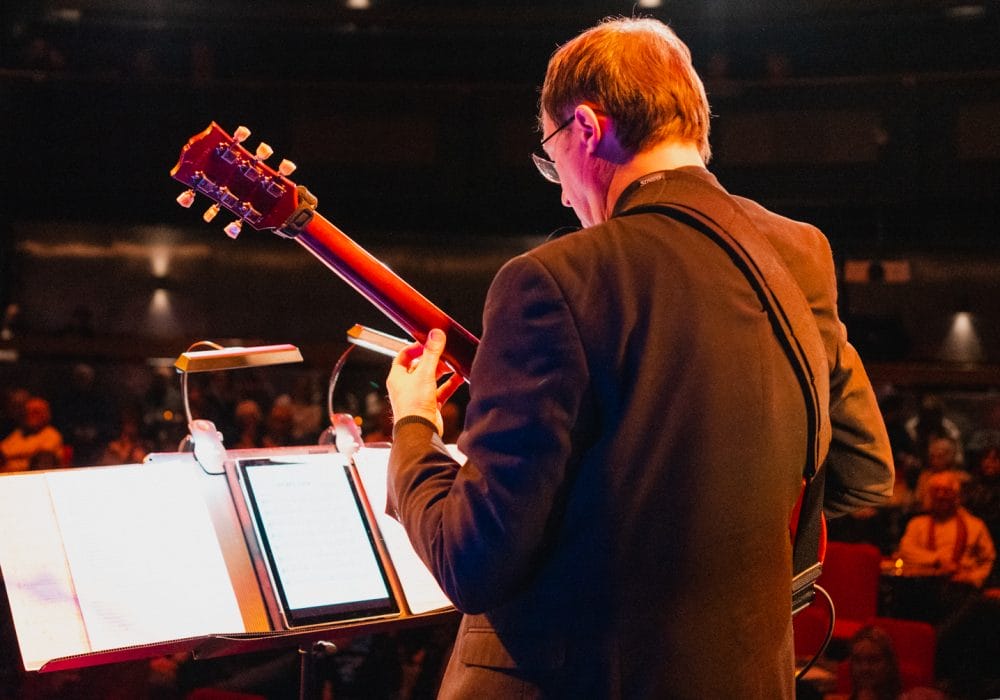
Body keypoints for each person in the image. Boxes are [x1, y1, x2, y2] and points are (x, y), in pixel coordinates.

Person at [384, 17, 893, 698]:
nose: (562, 190)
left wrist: (413, 428)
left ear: (586, 129)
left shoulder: (552, 280)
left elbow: (472, 561)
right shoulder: (799, 252)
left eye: (551, 156)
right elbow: (863, 473)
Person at [0, 395, 65, 471]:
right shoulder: (19, 433)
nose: (30, 415)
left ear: (46, 415)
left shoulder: (51, 434)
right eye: (27, 412)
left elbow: (42, 456)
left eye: (36, 412)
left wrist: (10, 456)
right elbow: (3, 450)